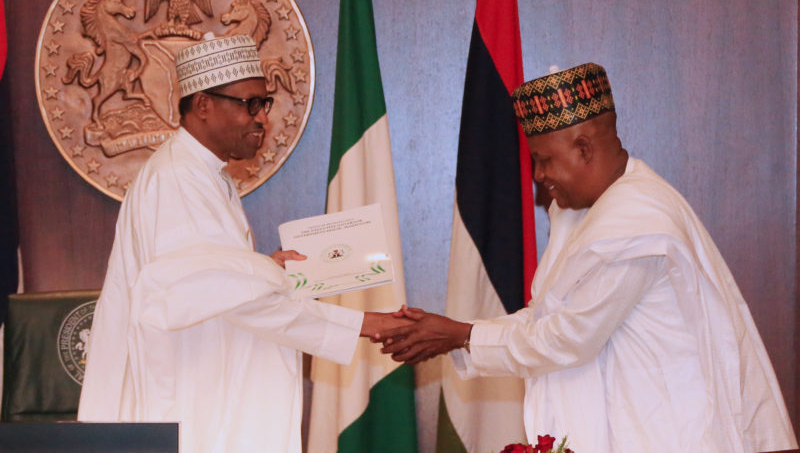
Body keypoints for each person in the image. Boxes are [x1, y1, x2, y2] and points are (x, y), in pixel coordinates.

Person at [379, 63, 798, 452]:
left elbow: (566, 338)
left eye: (543, 161)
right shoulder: (592, 209)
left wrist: (461, 335)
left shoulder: (635, 221)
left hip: (665, 435)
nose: (538, 176)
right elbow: (546, 317)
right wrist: (459, 332)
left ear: (582, 148)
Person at [78, 35, 407, 453]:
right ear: (202, 105)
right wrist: (366, 324)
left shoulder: (207, 175)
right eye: (249, 104)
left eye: (264, 104)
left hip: (215, 388)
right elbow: (226, 298)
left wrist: (263, 268)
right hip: (196, 399)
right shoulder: (177, 179)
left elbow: (215, 280)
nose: (262, 119)